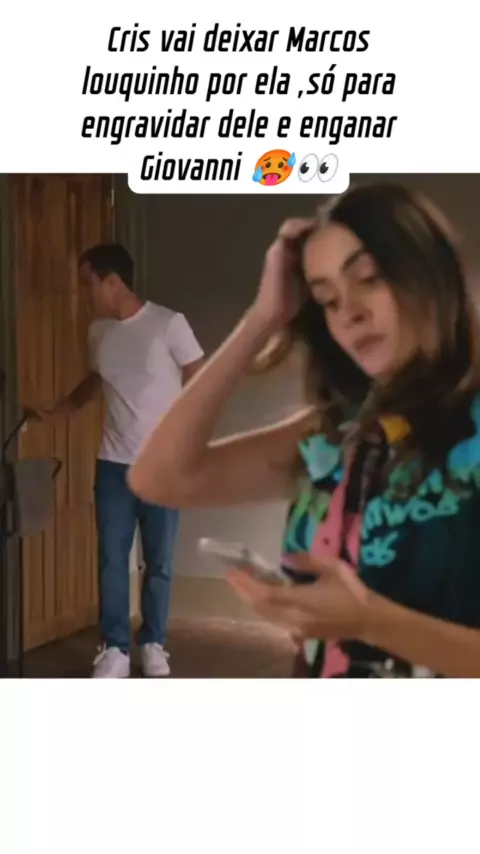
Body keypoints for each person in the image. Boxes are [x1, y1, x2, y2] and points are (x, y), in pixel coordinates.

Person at [127, 183, 480, 679]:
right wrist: (262, 318)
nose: (350, 312)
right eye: (327, 299)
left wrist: (370, 622)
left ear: (430, 271)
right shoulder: (338, 435)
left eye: (369, 278)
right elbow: (159, 478)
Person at [34, 243, 204, 678]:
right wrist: (60, 410)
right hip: (113, 463)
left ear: (111, 281)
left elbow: (200, 377)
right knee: (112, 557)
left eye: (87, 282)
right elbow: (96, 382)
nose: (84, 292)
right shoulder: (98, 332)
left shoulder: (169, 324)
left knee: (159, 560)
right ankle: (115, 649)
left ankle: (153, 643)